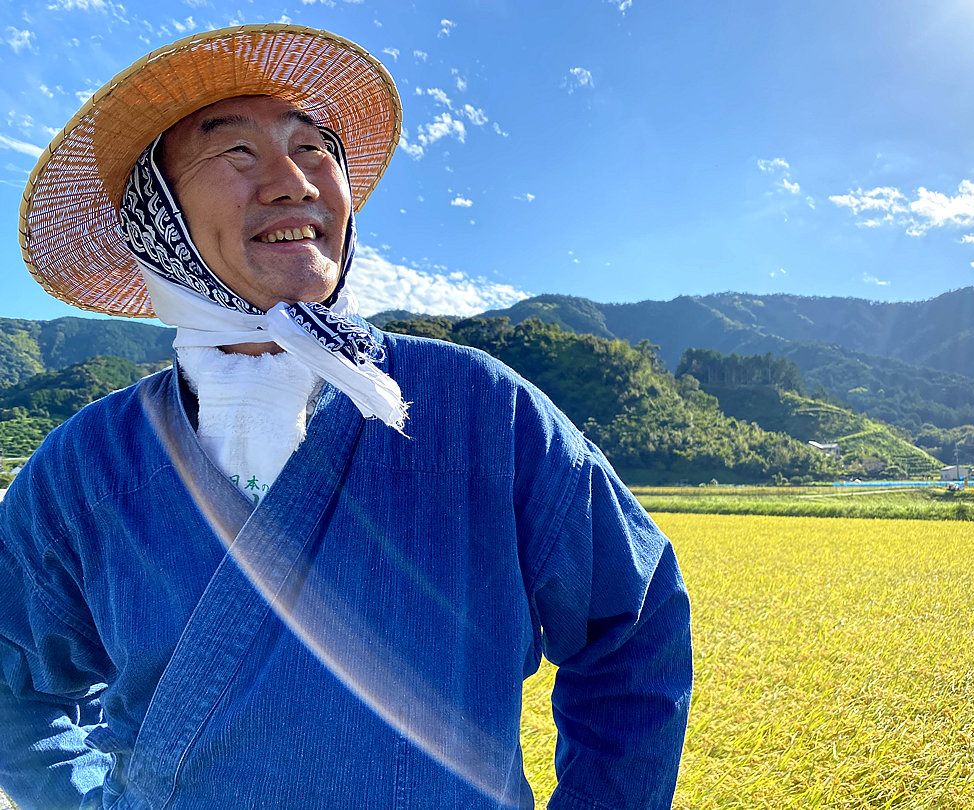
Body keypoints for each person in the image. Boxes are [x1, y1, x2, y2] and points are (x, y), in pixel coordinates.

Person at [0, 24, 692, 810]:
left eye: (315, 148)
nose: (293, 181)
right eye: (236, 153)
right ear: (156, 218)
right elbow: (11, 679)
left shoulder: (479, 410)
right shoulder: (84, 467)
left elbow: (634, 626)